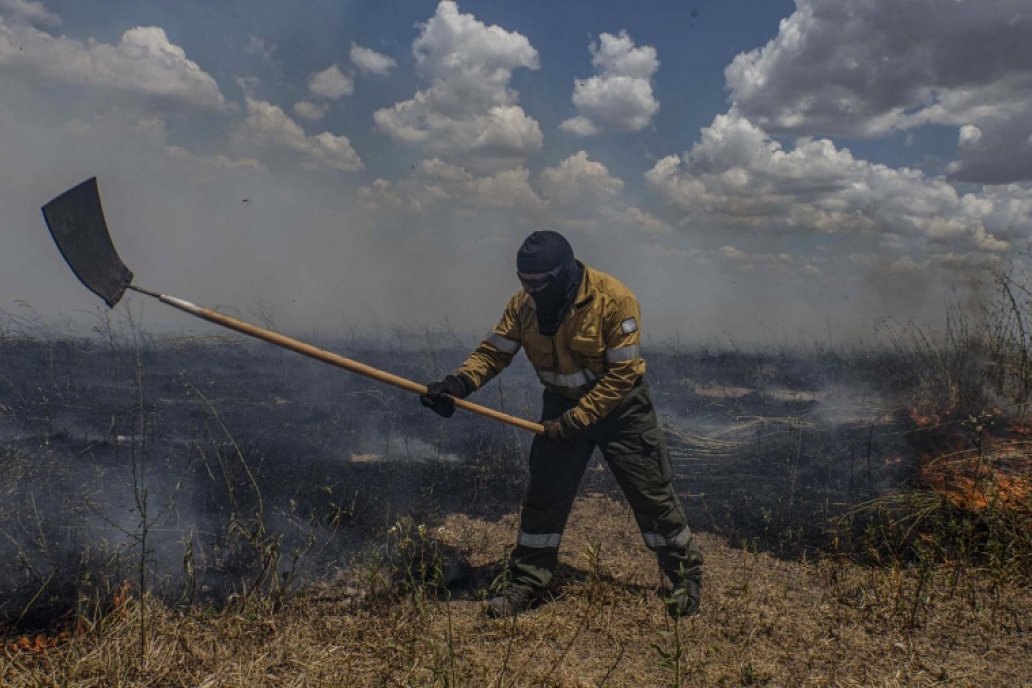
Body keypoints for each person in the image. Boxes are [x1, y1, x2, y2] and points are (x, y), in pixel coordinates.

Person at [420, 230, 703, 618]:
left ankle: (685, 578)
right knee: (544, 497)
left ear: (563, 274)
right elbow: (493, 352)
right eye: (524, 282)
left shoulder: (614, 301)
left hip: (622, 410)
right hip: (561, 408)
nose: (530, 292)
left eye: (537, 284)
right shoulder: (524, 305)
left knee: (651, 493)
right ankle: (528, 580)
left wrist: (579, 420)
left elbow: (621, 378)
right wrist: (458, 384)